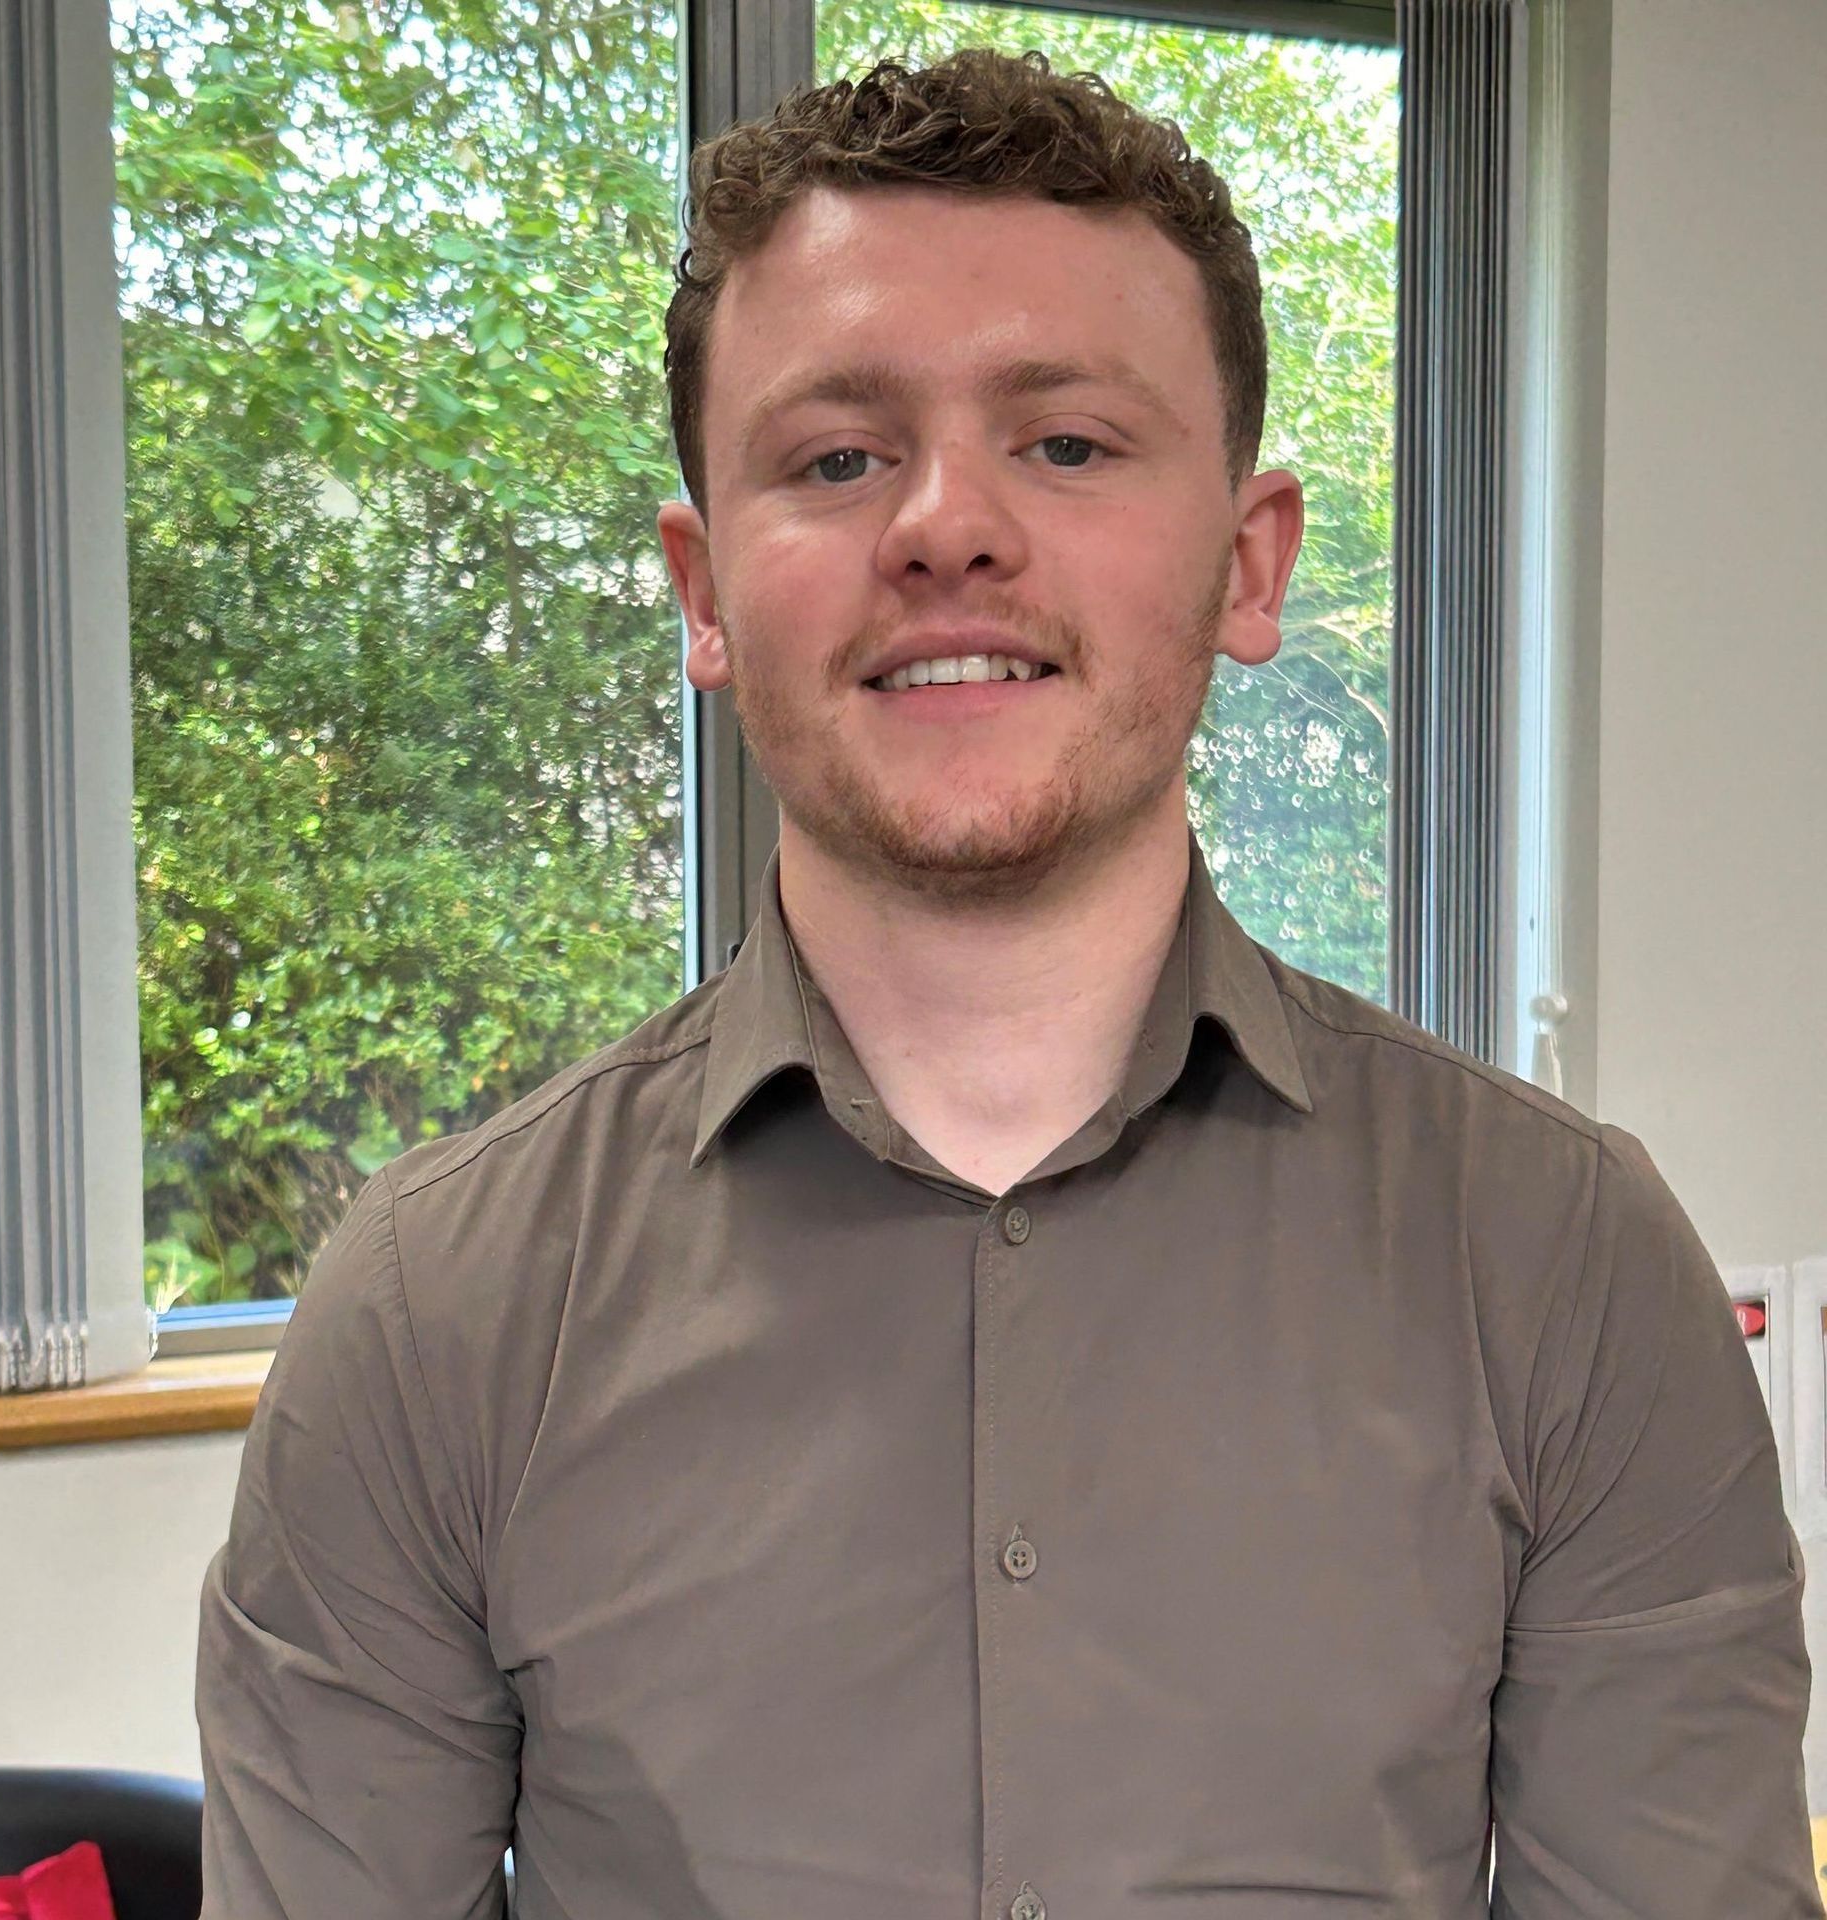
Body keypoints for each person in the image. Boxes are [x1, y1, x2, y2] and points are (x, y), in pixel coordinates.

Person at [195, 46, 1820, 1919]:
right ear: (706, 588)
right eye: (836, 458)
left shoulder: (1568, 1270)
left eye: (1066, 442)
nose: (945, 526)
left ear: (1248, 561)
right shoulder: (430, 1319)